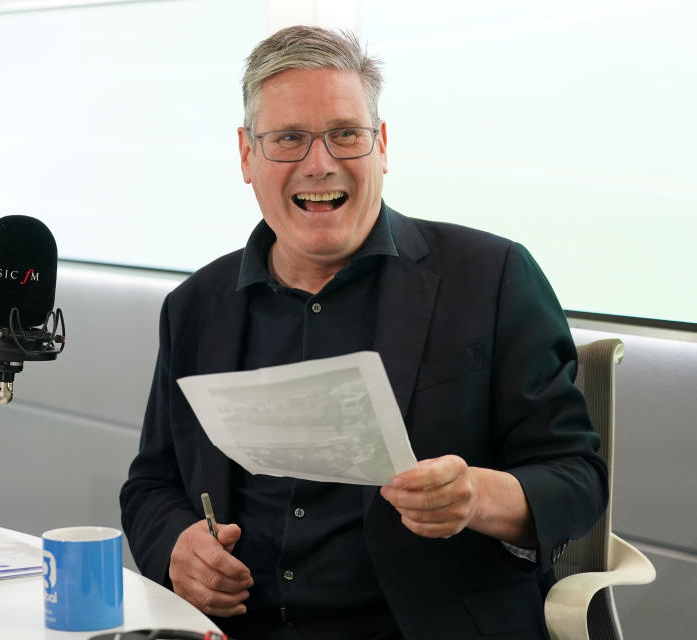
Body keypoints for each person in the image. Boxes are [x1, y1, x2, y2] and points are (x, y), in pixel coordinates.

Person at [120, 25, 607, 640]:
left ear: (380, 145)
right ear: (247, 155)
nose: (318, 163)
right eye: (289, 139)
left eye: (345, 134)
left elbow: (577, 478)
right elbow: (151, 484)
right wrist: (177, 547)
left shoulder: (492, 277)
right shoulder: (194, 306)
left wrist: (479, 496)